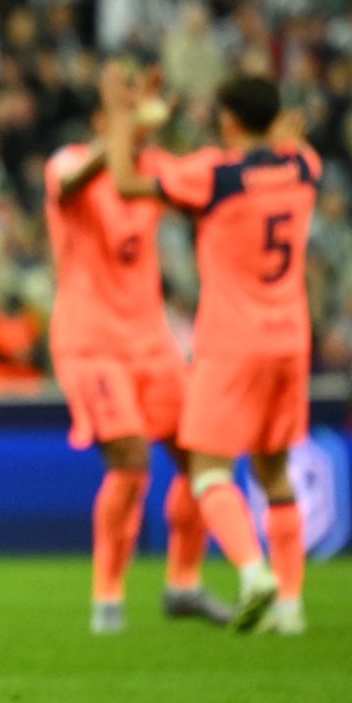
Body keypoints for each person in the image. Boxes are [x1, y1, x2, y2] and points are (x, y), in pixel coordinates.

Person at [109, 74, 315, 634]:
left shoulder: (214, 175)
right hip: (291, 338)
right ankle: (291, 607)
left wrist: (123, 115)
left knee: (207, 470)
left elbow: (125, 182)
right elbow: (293, 145)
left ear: (228, 120)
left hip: (233, 341)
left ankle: (252, 572)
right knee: (275, 473)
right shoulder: (304, 167)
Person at [43, 62, 233, 634]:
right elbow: (71, 186)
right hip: (91, 343)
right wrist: (124, 123)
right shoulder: (69, 161)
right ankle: (107, 595)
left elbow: (206, 186)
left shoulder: (151, 169)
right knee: (130, 463)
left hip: (151, 339)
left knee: (203, 455)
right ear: (101, 120)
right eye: (122, 113)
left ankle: (183, 584)